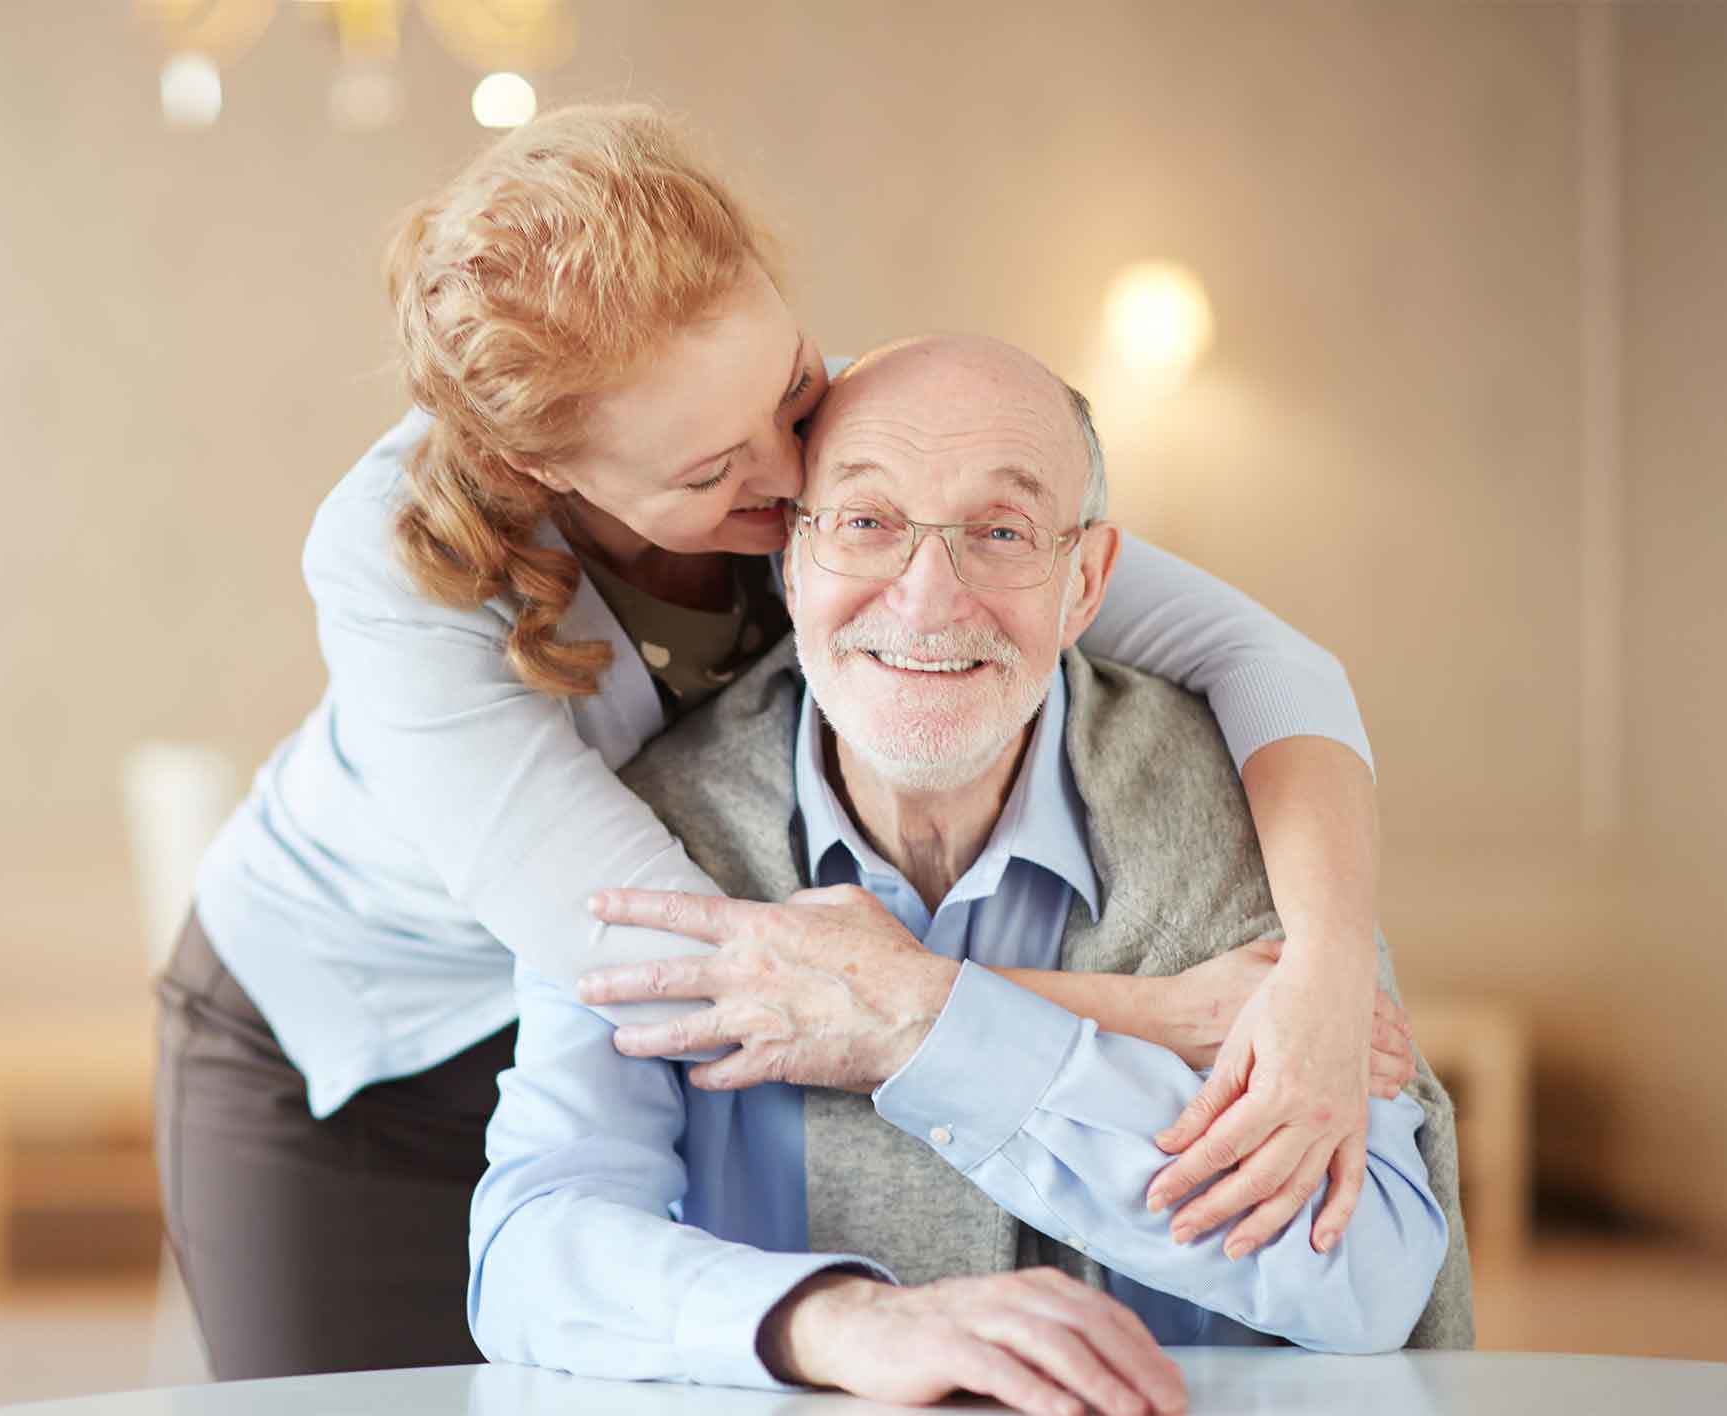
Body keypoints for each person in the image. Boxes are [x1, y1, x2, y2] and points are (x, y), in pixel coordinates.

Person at [160, 105, 1396, 1380]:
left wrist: (1321, 973)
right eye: (712, 473)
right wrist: (1164, 1018)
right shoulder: (391, 567)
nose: (793, 470)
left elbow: (1267, 664)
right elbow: (702, 978)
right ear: (546, 474)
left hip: (628, 1026)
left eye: (794, 387)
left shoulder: (835, 459)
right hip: (351, 1050)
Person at [468, 335, 1471, 1410]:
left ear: (1085, 582)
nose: (927, 599)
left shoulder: (1248, 807)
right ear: (791, 562)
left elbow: (1369, 1275)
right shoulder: (647, 829)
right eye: (866, 522)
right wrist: (832, 1320)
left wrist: (925, 1023)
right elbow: (535, 1246)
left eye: (1000, 531)